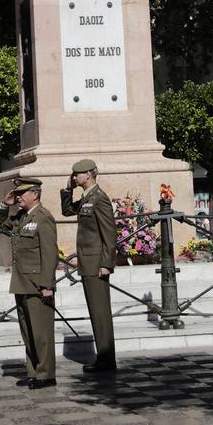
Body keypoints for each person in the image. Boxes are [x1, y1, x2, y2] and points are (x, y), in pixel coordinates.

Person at [0, 178, 58, 389]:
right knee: (28, 331)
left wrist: (47, 285)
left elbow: (50, 254)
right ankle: (34, 372)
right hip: (22, 281)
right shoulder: (23, 217)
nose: (18, 197)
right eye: (17, 193)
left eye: (22, 193)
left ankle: (46, 374)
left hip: (37, 282)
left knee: (41, 333)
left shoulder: (43, 217)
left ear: (35, 194)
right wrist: (5, 205)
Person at [61, 158, 117, 373]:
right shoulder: (87, 198)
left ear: (90, 174)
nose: (75, 177)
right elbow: (67, 211)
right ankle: (103, 359)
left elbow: (108, 233)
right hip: (88, 263)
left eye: (78, 174)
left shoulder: (99, 198)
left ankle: (106, 360)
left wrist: (106, 264)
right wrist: (68, 190)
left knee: (100, 312)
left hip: (96, 264)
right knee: (96, 311)